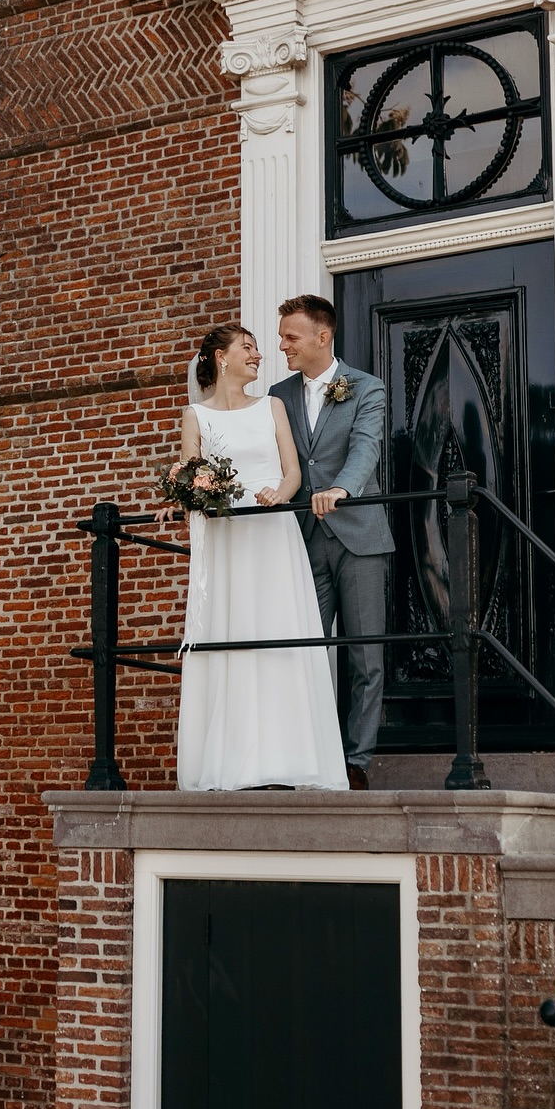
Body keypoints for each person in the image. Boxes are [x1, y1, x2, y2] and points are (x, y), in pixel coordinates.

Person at [175, 324, 347, 793]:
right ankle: (231, 763)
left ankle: (291, 759)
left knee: (277, 631)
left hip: (271, 532)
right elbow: (190, 475)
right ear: (219, 358)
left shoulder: (272, 407)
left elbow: (293, 473)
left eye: (256, 348)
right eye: (246, 348)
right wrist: (196, 494)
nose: (257, 355)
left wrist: (279, 493)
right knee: (233, 632)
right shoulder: (196, 415)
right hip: (228, 538)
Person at [270, 295, 391, 790]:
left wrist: (344, 487)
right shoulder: (277, 393)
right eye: (280, 338)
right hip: (301, 539)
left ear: (323, 336)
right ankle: (306, 755)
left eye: (290, 337)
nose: (282, 346)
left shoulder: (367, 388)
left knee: (366, 655)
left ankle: (356, 760)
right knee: (302, 652)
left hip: (358, 535)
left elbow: (366, 445)